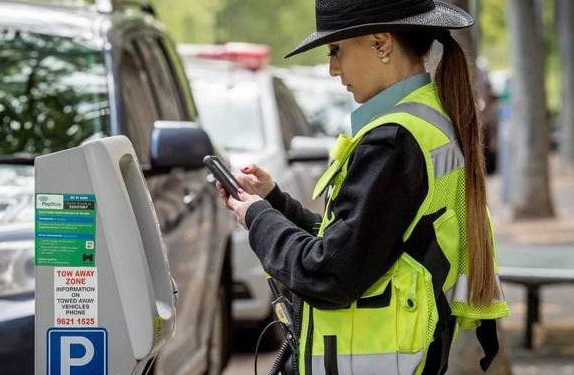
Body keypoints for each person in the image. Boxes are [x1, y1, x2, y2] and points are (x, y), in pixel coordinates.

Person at [215, 1, 509, 374]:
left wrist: (257, 218)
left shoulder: (393, 141)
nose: (333, 69)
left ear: (381, 43)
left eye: (336, 51)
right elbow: (367, 243)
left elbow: (328, 273)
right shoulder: (428, 121)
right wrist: (275, 203)